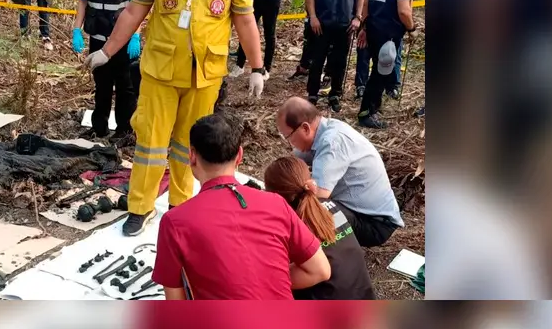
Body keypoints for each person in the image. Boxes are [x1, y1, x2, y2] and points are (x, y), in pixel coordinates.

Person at [84, 0, 265, 236]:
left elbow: (244, 19)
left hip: (205, 75)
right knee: (150, 144)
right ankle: (141, 207)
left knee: (188, 145)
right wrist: (107, 51)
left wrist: (257, 67)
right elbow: (132, 13)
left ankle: (180, 207)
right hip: (160, 74)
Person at [152, 114, 331, 299]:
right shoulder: (275, 203)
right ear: (239, 155)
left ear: (192, 156)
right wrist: (265, 282)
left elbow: (175, 302)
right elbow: (320, 270)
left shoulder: (176, 221)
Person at [277, 97, 404, 248]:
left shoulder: (332, 142)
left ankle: (321, 260)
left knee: (312, 207)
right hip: (360, 212)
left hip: (374, 224)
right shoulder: (325, 129)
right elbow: (296, 163)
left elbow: (318, 196)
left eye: (289, 137)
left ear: (305, 128)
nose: (290, 143)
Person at [264, 156, 376, 300]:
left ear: (274, 195)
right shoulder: (331, 206)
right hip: (363, 295)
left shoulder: (289, 224)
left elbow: (312, 272)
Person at [72, 0, 141, 143]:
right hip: (98, 39)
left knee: (125, 87)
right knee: (101, 85)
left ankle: (124, 131)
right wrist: (76, 29)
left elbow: (136, 7)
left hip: (123, 41)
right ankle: (98, 128)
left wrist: (136, 35)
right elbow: (83, 1)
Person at [357, 0, 418, 129]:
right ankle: (367, 112)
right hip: (389, 34)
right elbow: (403, 10)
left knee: (378, 69)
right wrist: (411, 29)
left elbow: (366, 4)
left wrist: (364, 28)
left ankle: (374, 106)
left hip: (373, 29)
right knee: (381, 73)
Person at [305, 0, 365, 112]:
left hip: (345, 25)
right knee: (317, 60)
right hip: (321, 24)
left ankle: (335, 95)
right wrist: (313, 17)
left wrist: (357, 17)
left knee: (339, 61)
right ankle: (312, 94)